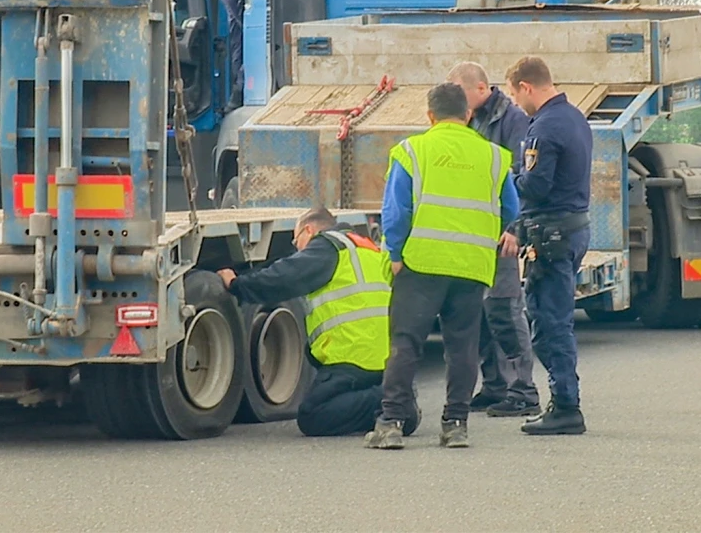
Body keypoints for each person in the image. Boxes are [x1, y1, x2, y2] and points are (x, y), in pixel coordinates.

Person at [365, 83, 520, 450]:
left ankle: (391, 423)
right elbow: (511, 209)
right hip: (471, 265)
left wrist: (397, 254)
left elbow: (396, 211)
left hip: (421, 263)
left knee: (406, 342)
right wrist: (482, 235)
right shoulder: (494, 157)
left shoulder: (412, 151)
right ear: (468, 115)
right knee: (463, 345)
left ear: (430, 116)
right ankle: (455, 424)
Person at [217, 206, 401, 438]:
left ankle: (386, 402)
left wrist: (237, 284)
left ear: (308, 230)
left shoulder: (326, 247)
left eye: (296, 242)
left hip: (351, 357)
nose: (297, 249)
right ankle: (397, 403)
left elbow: (284, 277)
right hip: (384, 358)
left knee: (313, 415)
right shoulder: (367, 249)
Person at [447, 62, 541, 418]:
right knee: (482, 312)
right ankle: (495, 384)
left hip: (501, 232)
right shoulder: (467, 119)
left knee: (504, 308)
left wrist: (515, 227)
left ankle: (523, 389)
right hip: (474, 233)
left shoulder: (512, 121)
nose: (458, 100)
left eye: (461, 91)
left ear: (482, 88)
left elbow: (521, 178)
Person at [505, 56, 593, 436]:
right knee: (555, 319)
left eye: (514, 95)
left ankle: (566, 406)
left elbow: (536, 185)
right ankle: (564, 403)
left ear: (526, 86)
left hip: (552, 233)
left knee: (549, 323)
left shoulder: (543, 126)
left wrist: (508, 179)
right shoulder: (575, 117)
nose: (515, 104)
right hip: (571, 228)